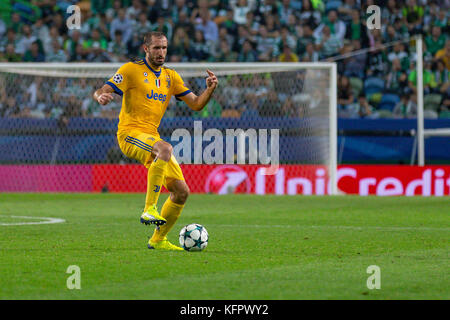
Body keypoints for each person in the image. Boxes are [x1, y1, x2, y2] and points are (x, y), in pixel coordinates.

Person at [92, 32, 218, 251]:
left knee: (181, 192)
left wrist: (209, 89)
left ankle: (158, 240)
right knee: (165, 148)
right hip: (129, 134)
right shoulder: (131, 70)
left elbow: (196, 104)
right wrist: (100, 96)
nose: (161, 52)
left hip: (151, 137)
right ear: (146, 49)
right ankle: (149, 207)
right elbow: (105, 88)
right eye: (157, 48)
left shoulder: (171, 77)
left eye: (164, 48)